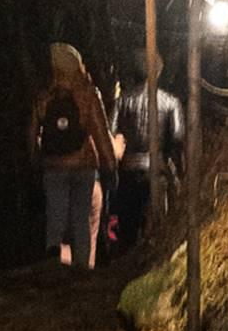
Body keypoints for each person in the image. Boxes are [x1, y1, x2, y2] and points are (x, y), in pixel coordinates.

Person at [31, 45, 117, 272]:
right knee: (81, 218)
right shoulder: (88, 93)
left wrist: (35, 159)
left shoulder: (46, 96)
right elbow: (100, 132)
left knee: (56, 215)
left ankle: (54, 265)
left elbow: (32, 132)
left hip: (53, 166)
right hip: (83, 166)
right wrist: (110, 165)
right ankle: (82, 271)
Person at [108, 73, 185, 251]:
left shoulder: (122, 101)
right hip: (158, 169)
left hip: (128, 168)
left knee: (128, 225)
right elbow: (178, 137)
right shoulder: (171, 101)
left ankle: (126, 263)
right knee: (157, 224)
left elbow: (111, 132)